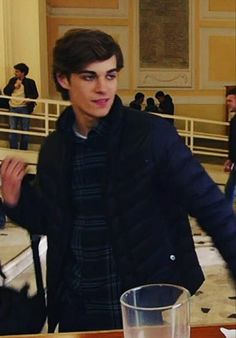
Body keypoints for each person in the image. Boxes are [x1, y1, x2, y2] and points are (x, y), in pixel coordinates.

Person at [1, 29, 236, 333]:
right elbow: (51, 222)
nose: (103, 88)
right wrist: (17, 201)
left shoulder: (150, 136)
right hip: (76, 305)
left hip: (146, 305)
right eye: (89, 77)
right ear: (63, 80)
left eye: (110, 75)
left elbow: (212, 208)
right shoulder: (55, 148)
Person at [3, 63, 39, 150]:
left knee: (25, 131)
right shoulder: (12, 80)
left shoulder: (30, 82)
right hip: (13, 107)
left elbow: (35, 94)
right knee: (12, 130)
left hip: (24, 108)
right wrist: (14, 86)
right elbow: (6, 91)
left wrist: (29, 99)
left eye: (17, 71)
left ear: (23, 73)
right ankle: (13, 149)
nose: (15, 73)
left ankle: (24, 150)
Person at [224, 88, 236, 205]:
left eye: (230, 101)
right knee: (230, 189)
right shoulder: (234, 120)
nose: (227, 104)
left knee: (230, 189)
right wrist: (230, 159)